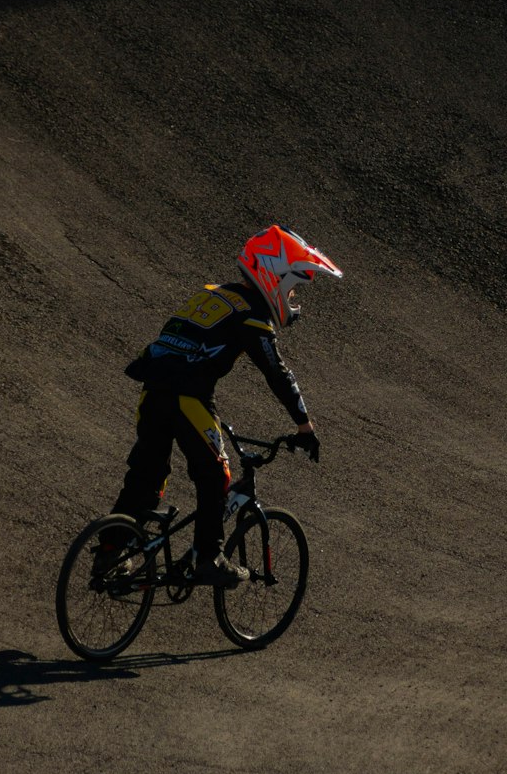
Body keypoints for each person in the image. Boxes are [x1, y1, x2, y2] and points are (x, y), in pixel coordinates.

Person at [106, 226, 342, 587]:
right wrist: (304, 426)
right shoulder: (252, 314)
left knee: (146, 478)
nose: (292, 296)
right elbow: (277, 372)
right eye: (292, 286)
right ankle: (208, 558)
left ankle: (108, 556)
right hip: (187, 397)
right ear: (275, 277)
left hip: (152, 391)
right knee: (217, 476)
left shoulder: (211, 294)